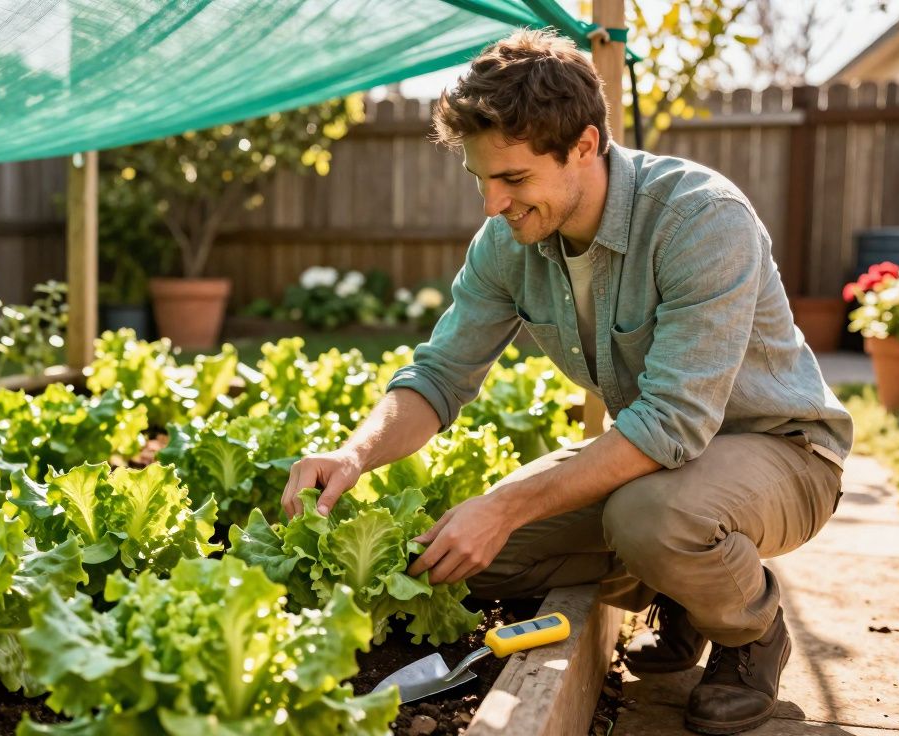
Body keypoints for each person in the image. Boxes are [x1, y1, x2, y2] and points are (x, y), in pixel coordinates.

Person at [280, 28, 853, 735]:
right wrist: (353, 454)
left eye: (514, 179)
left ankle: (750, 631)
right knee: (471, 562)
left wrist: (509, 503)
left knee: (650, 520)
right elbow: (439, 375)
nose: (492, 203)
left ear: (584, 145)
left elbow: (675, 421)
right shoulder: (507, 242)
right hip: (659, 459)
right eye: (481, 178)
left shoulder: (701, 218)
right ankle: (681, 588)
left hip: (781, 451)